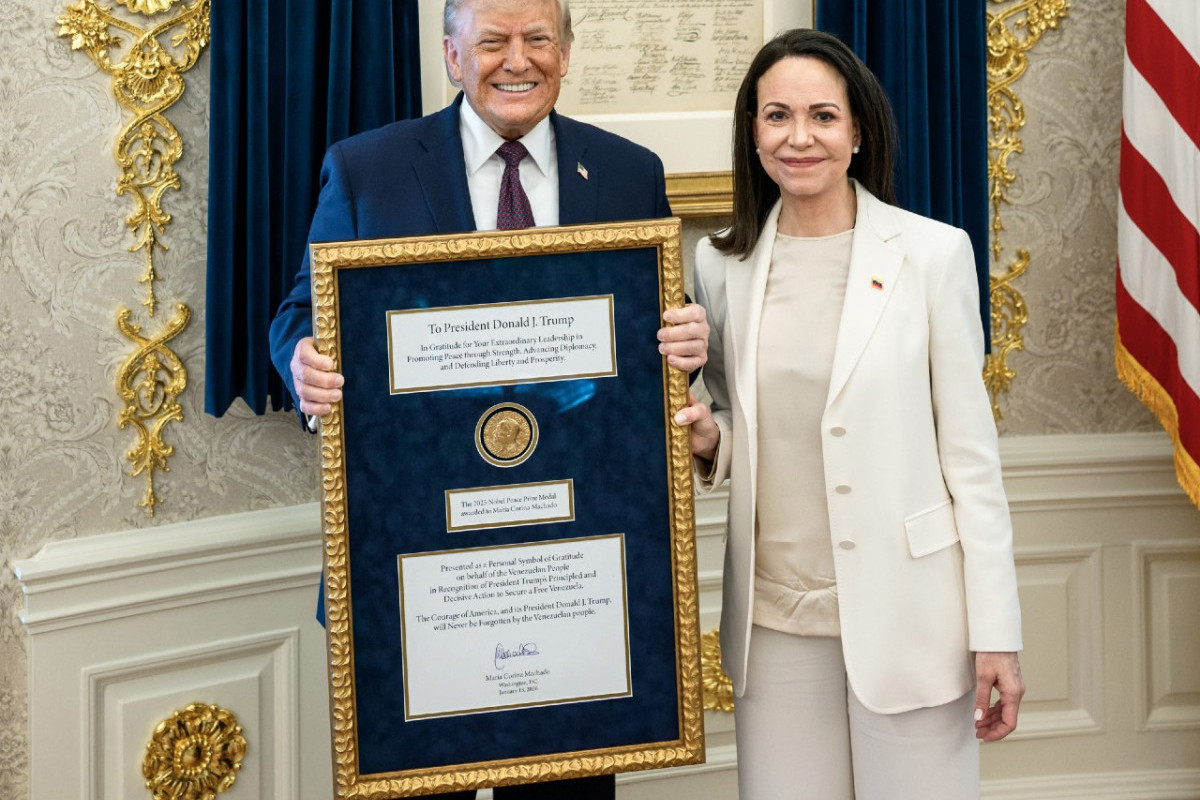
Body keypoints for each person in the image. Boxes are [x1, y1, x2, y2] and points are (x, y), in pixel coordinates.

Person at [268, 0, 708, 798]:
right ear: (451, 54)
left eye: (538, 39)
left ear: (566, 54)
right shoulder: (368, 167)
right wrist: (301, 362)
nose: (518, 60)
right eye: (494, 41)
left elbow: (648, 339)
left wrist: (682, 347)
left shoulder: (626, 171)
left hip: (573, 557)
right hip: (415, 552)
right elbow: (301, 313)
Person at [672, 28, 1024, 800]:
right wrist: (710, 438)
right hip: (773, 624)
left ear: (858, 132)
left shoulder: (933, 255)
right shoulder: (719, 265)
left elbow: (971, 457)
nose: (799, 137)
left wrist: (998, 630)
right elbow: (738, 414)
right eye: (777, 117)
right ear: (753, 133)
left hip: (912, 617)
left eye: (823, 117)